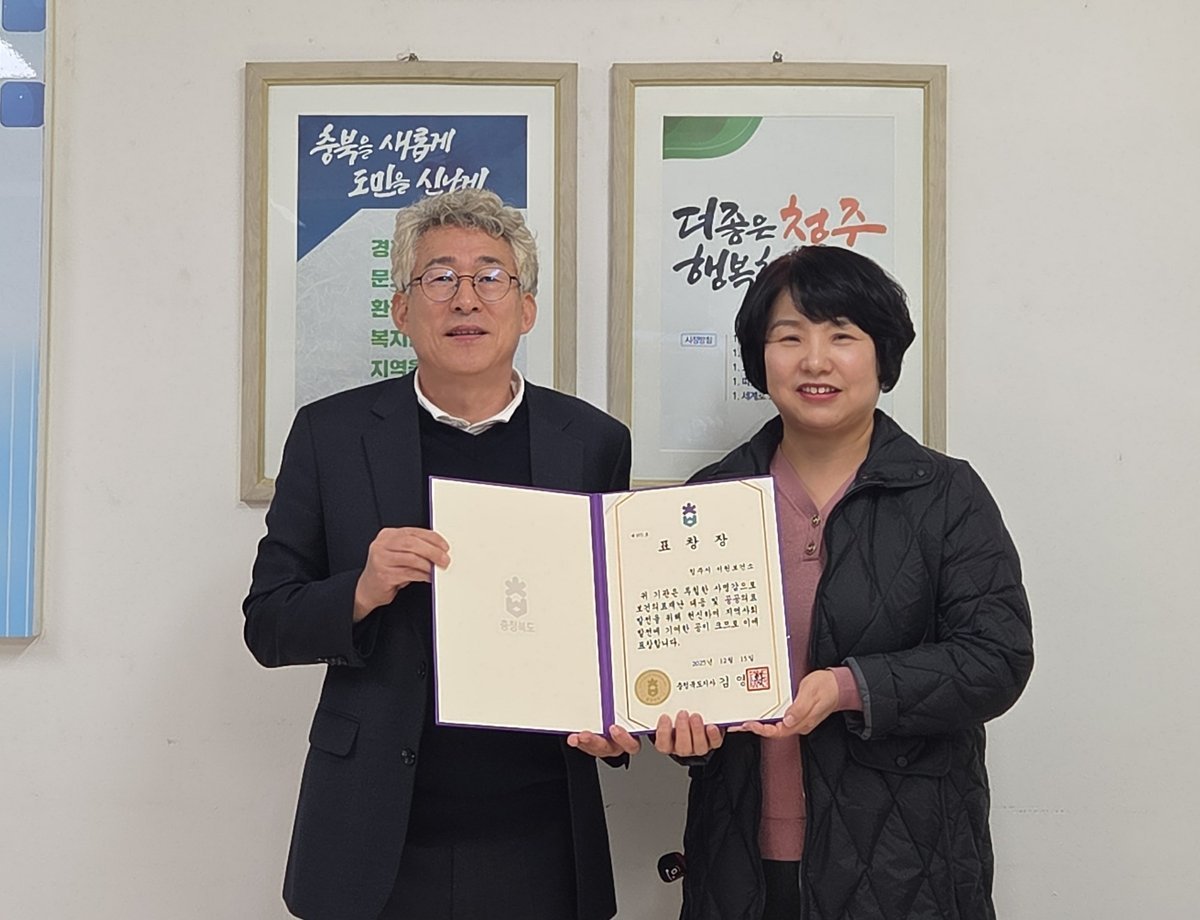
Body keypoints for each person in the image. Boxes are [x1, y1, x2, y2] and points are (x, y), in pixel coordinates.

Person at [243, 188, 638, 920]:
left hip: (540, 824)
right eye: (440, 278)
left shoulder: (592, 442)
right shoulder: (331, 435)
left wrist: (622, 722)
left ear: (526, 308)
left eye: (490, 277)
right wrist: (361, 589)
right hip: (374, 830)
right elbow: (267, 624)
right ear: (401, 309)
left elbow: (616, 625)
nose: (465, 299)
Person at [653, 245, 1034, 920]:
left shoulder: (946, 495)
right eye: (789, 337)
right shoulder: (708, 499)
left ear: (883, 356)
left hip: (906, 866)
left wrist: (848, 687)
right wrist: (684, 734)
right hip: (739, 863)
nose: (814, 360)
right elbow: (674, 666)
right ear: (759, 357)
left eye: (841, 336)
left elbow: (996, 659)